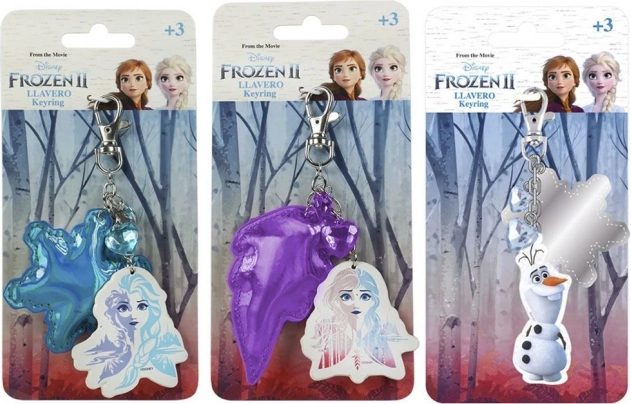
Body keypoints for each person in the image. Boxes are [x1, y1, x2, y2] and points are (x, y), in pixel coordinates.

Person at [72, 270, 187, 397]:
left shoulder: (167, 340)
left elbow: (171, 374)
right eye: (123, 308)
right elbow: (94, 378)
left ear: (154, 309)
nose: (133, 315)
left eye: (142, 307)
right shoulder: (101, 351)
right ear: (110, 313)